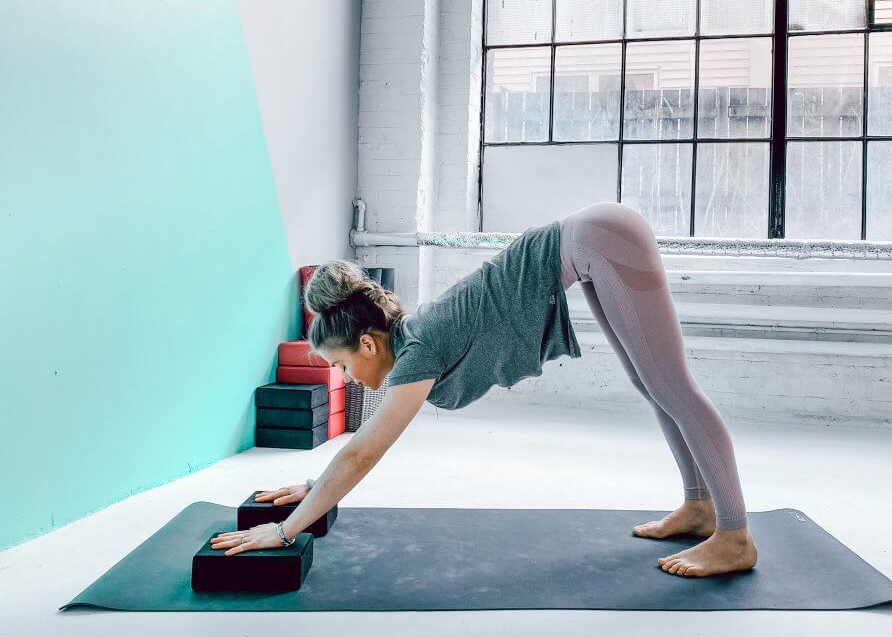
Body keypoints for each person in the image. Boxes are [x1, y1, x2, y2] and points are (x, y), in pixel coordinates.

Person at [211, 201, 757, 577]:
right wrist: (314, 487)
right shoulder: (412, 341)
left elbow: (362, 452)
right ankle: (700, 508)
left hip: (603, 238)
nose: (347, 380)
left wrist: (284, 532)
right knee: (652, 384)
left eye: (343, 365)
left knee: (673, 387)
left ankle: (734, 536)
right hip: (593, 242)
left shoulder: (417, 352)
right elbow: (359, 449)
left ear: (369, 345)